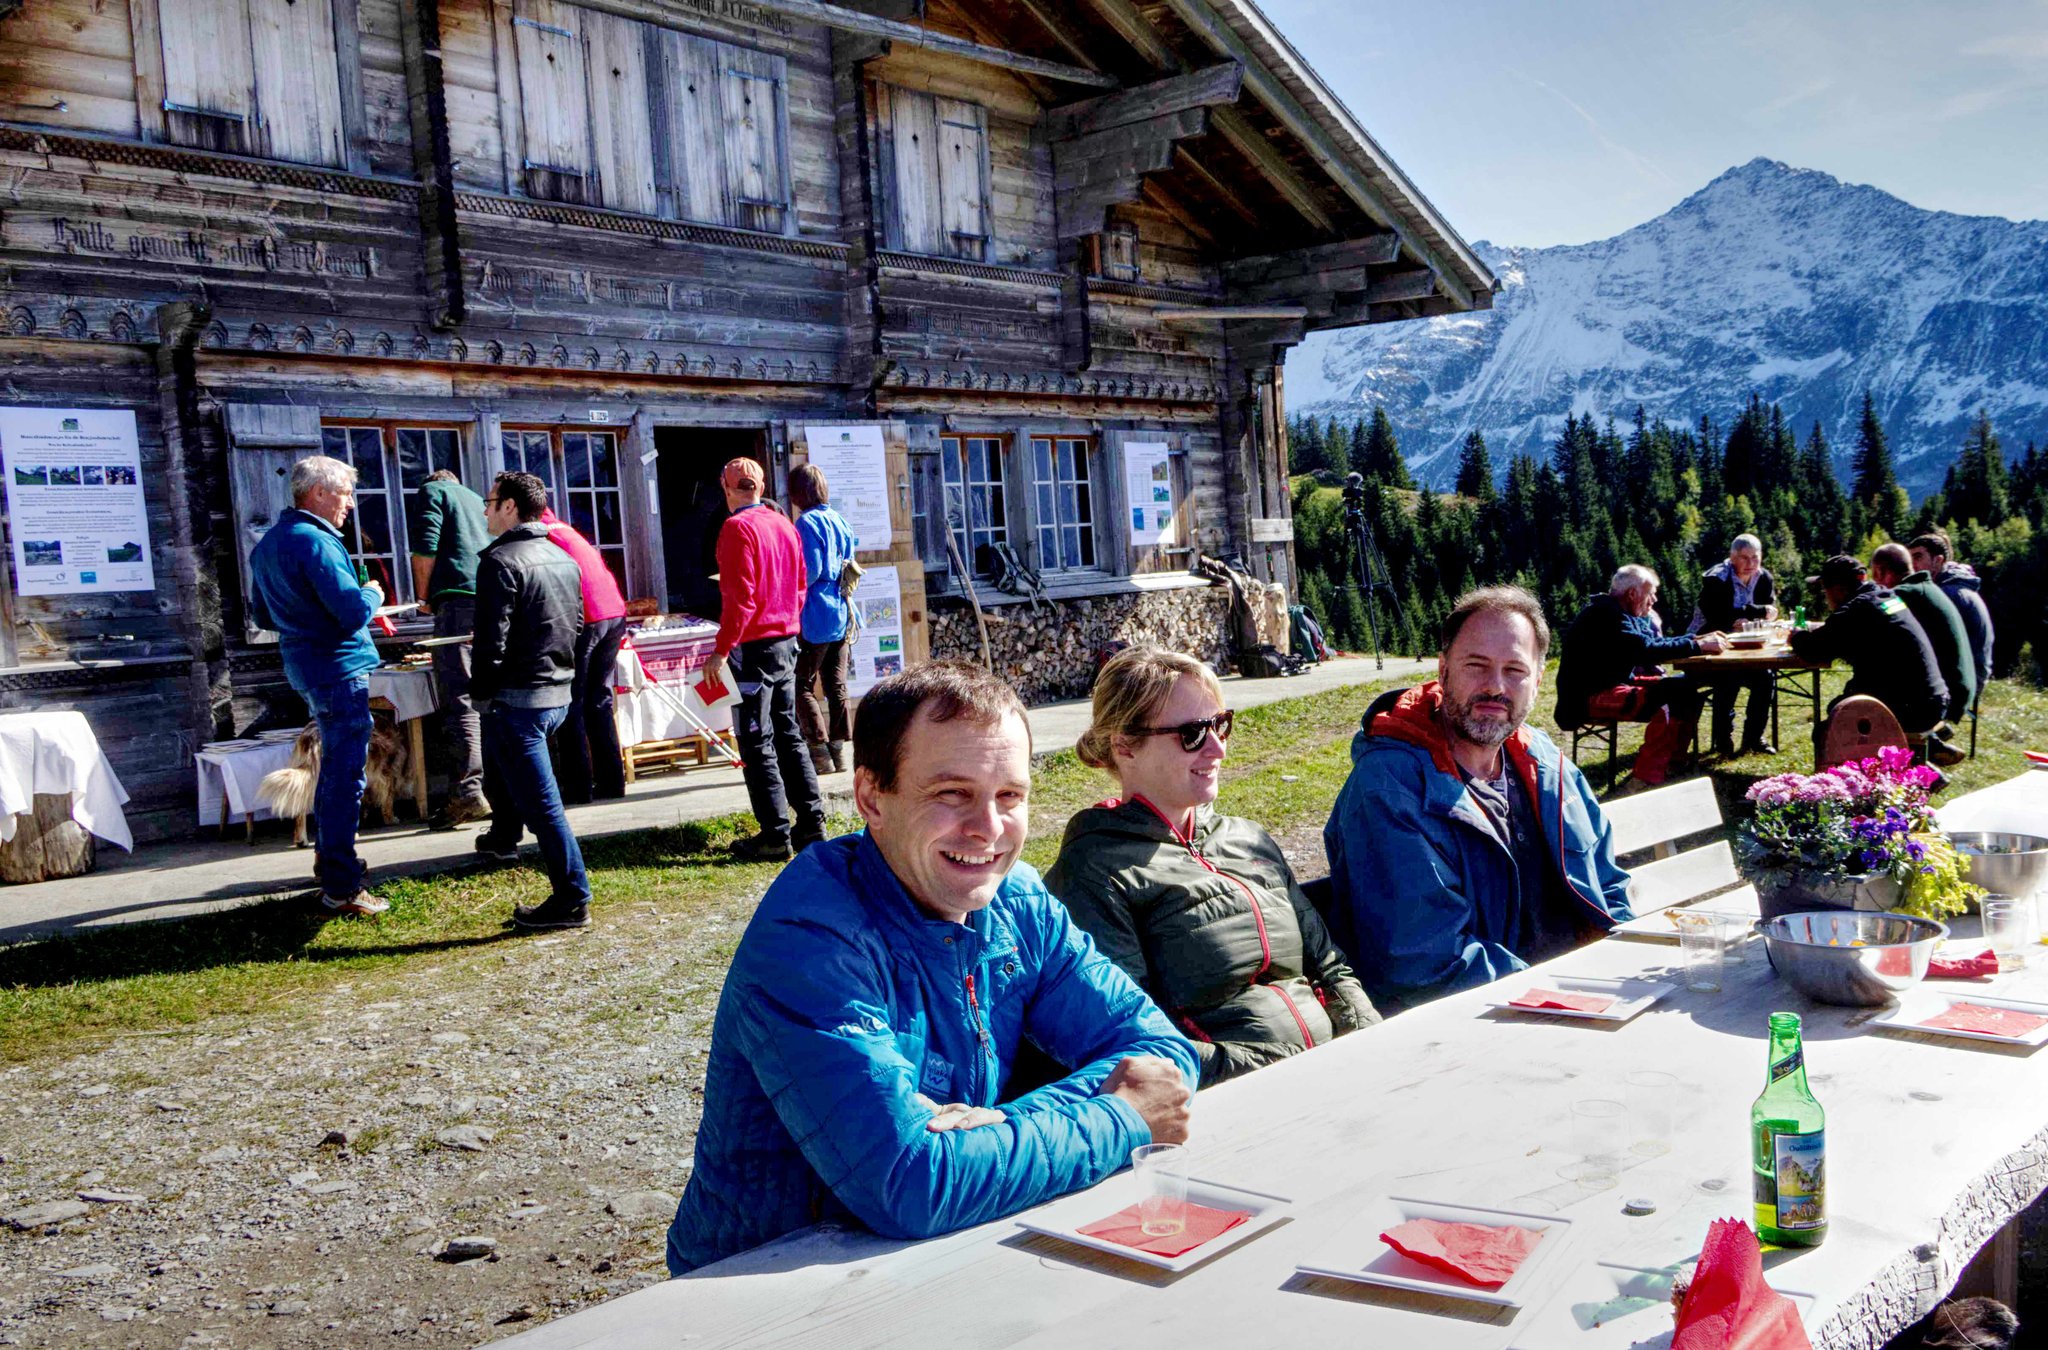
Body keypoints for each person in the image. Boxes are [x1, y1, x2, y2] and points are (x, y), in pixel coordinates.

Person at [665, 662, 1197, 1274]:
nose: (989, 829)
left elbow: (1159, 1052)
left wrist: (1000, 1125)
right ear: (872, 798)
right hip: (755, 1287)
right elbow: (908, 1184)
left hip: (938, 1252)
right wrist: (1120, 1116)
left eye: (1009, 796)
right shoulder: (810, 934)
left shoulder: (1017, 903)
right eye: (952, 793)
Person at [1046, 648, 1378, 1086]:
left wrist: (1372, 1044)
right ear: (1125, 745)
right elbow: (1136, 1041)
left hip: (1335, 1070)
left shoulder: (1247, 837)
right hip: (1238, 1097)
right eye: (1192, 733)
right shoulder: (1094, 872)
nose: (1218, 748)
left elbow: (1329, 967)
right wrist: (1287, 1068)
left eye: (1219, 724)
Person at [1323, 586, 1634, 1011]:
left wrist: (1629, 961)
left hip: (1581, 996)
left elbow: (1609, 886)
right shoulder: (1390, 789)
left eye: (1515, 671)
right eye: (1476, 665)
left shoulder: (1545, 764)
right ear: (1443, 669)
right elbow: (1424, 962)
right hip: (1474, 1018)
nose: (1496, 687)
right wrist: (1563, 996)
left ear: (1538, 680)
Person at [249, 455, 390, 917]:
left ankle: (332, 865)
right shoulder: (317, 542)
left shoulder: (268, 543)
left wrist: (305, 620)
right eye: (345, 494)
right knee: (344, 777)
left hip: (304, 664)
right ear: (319, 493)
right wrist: (374, 594)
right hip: (338, 667)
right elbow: (352, 612)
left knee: (334, 772)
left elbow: (262, 615)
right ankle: (342, 884)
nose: (349, 504)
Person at [471, 472, 592, 930]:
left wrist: (481, 694)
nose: (485, 510)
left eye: (490, 501)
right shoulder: (562, 557)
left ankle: (572, 899)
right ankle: (508, 840)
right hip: (553, 693)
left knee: (544, 808)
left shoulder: (501, 561)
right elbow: (575, 626)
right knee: (529, 797)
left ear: (510, 507)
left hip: (520, 699)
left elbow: (489, 643)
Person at [713, 457, 825, 862]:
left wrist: (721, 649)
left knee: (756, 739)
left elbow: (739, 598)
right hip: (786, 639)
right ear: (759, 487)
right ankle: (811, 822)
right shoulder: (784, 525)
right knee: (788, 731)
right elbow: (799, 586)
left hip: (754, 647)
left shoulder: (736, 528)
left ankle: (775, 833)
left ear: (727, 489)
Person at [1555, 566, 1726, 788]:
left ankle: (1673, 762)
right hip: (1587, 697)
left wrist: (1696, 639)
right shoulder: (1605, 615)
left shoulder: (1618, 612)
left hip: (1612, 685)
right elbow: (1645, 650)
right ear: (1633, 593)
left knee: (1685, 688)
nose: (1654, 599)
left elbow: (1650, 643)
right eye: (1651, 593)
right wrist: (1697, 645)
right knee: (1663, 701)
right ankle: (1643, 779)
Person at [1791, 554, 1949, 743]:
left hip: (1912, 710)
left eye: (1825, 590)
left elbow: (1811, 651)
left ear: (1838, 589)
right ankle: (1925, 751)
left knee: (1826, 731)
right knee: (1841, 704)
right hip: (1935, 699)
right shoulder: (1885, 596)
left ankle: (1869, 770)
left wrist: (1796, 635)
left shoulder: (1855, 610)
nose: (1826, 597)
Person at [410, 469, 492, 830]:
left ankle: (468, 792)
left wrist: (424, 598)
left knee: (460, 698)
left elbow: (425, 549)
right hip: (491, 600)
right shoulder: (476, 499)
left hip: (457, 603)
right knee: (490, 695)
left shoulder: (433, 492)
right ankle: (498, 788)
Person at [539, 508, 628, 803]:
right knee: (598, 700)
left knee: (571, 703)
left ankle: (578, 788)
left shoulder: (541, 534)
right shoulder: (564, 529)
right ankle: (612, 782)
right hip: (613, 613)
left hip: (588, 617)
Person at [1870, 542, 1973, 765]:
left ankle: (1914, 766)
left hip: (1944, 692)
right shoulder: (1927, 587)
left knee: (1867, 698)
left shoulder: (1901, 596)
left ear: (1880, 572)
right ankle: (1933, 745)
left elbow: (1878, 636)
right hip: (1959, 684)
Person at [788, 463, 858, 778]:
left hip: (816, 612)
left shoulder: (805, 523)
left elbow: (811, 571)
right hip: (842, 611)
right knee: (835, 683)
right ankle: (841, 751)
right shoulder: (840, 520)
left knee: (801, 683)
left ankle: (819, 750)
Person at [1691, 533, 1778, 757]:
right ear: (1732, 557)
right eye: (1743, 558)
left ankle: (1754, 736)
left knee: (1766, 677)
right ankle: (1723, 737)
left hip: (1747, 644)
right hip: (1709, 644)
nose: (1750, 564)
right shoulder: (1716, 577)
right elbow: (1715, 614)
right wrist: (1751, 612)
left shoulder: (1764, 577)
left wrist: (1751, 618)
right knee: (1728, 677)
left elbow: (1768, 609)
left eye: (1755, 558)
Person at [1908, 532, 1996, 696]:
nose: (1912, 564)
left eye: (1918, 557)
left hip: (1963, 682)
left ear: (1938, 561)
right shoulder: (1953, 587)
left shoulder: (1948, 594)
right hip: (1968, 675)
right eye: (1910, 558)